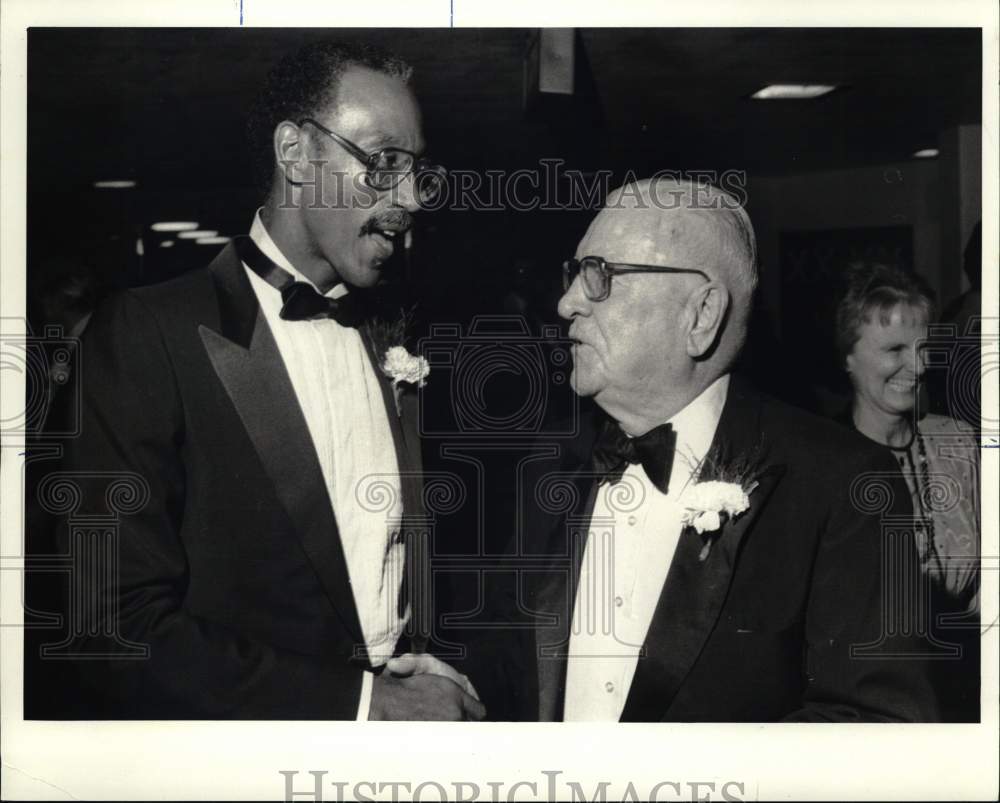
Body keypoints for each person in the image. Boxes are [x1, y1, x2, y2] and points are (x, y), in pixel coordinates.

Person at [51, 40, 482, 720]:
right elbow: (113, 627)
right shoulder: (146, 333)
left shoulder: (401, 336)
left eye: (416, 170)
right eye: (383, 163)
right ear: (295, 154)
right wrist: (365, 704)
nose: (410, 198)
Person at [444, 178, 939, 721]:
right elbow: (510, 663)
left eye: (601, 275)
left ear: (701, 315)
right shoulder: (552, 459)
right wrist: (457, 688)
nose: (566, 304)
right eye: (575, 273)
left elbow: (875, 727)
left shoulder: (838, 484)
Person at [835, 261, 980, 720]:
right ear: (848, 357)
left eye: (923, 348)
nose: (916, 367)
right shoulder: (822, 463)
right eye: (895, 348)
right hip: (878, 701)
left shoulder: (958, 442)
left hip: (969, 686)